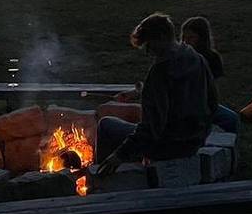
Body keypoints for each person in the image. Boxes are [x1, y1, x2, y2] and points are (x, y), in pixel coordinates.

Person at [93, 12, 217, 176]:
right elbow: (213, 102)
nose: (148, 51)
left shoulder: (160, 72)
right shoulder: (197, 58)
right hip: (195, 141)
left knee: (106, 125)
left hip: (168, 146)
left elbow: (151, 129)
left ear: (161, 37)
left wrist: (119, 155)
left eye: (149, 45)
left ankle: (102, 177)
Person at [180, 15, 240, 134]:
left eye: (191, 37)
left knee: (231, 119)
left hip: (203, 103)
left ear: (202, 38)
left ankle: (227, 148)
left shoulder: (212, 58)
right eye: (184, 37)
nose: (186, 41)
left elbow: (212, 88)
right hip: (181, 104)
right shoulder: (178, 56)